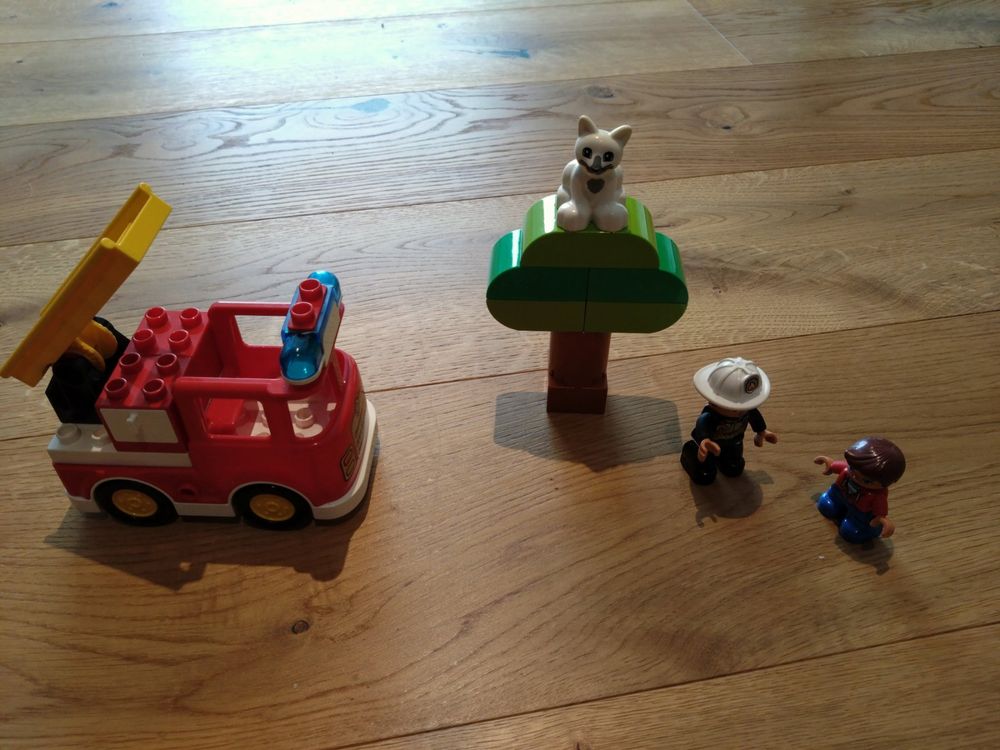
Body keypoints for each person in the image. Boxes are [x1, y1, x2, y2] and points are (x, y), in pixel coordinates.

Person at [680, 357, 777, 485]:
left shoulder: (747, 411)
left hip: (735, 441)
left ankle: (727, 462)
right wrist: (704, 441)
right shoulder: (710, 416)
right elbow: (702, 425)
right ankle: (695, 457)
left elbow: (755, 417)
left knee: (734, 467)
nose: (740, 412)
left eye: (745, 407)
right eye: (734, 409)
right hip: (713, 443)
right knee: (706, 473)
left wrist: (761, 432)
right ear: (714, 402)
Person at [814, 437, 906, 543]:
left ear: (886, 483)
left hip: (859, 511)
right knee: (827, 506)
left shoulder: (877, 495)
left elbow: (880, 512)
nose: (854, 476)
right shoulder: (847, 472)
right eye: (852, 468)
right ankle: (835, 505)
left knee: (851, 531)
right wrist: (829, 464)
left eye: (867, 481)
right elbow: (837, 466)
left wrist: (882, 520)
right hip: (838, 495)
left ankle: (862, 528)